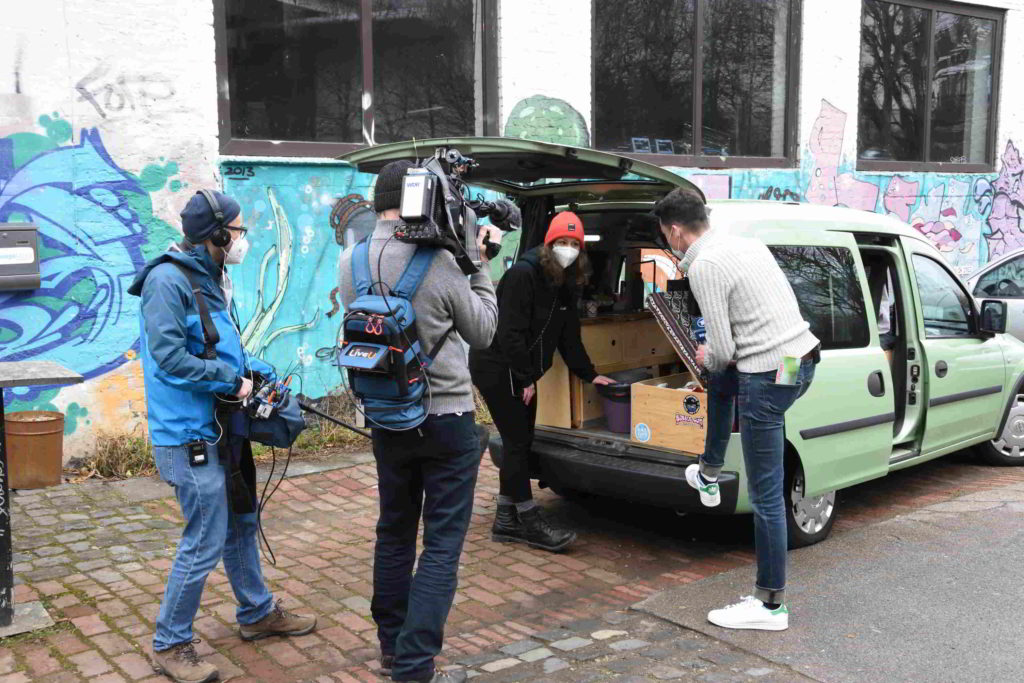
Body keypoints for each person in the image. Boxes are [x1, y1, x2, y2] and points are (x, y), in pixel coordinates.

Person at [128, 190, 316, 683]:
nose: (241, 238)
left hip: (221, 426)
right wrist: (233, 383)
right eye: (237, 230)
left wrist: (260, 372)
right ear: (215, 234)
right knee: (205, 537)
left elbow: (220, 349)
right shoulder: (168, 282)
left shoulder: (209, 277)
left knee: (240, 522)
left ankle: (256, 612)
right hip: (187, 433)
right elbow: (170, 359)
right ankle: (171, 643)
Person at [338, 161, 500, 683]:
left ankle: (391, 646)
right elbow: (483, 331)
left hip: (388, 418)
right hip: (447, 418)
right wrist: (478, 264)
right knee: (443, 543)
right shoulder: (440, 262)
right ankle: (414, 664)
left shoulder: (353, 259)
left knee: (394, 531)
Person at [654, 188, 819, 631]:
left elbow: (724, 349)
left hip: (765, 377)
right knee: (724, 381)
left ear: (674, 231)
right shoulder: (746, 243)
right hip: (797, 364)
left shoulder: (705, 265)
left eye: (665, 236)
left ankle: (770, 606)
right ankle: (708, 472)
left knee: (766, 496)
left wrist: (702, 354)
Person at [469, 211, 614, 552]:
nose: (568, 248)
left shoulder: (562, 281)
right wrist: (524, 378)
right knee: (518, 442)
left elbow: (568, 336)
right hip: (497, 365)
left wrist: (590, 374)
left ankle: (506, 520)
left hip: (520, 370)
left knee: (522, 440)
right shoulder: (524, 274)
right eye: (561, 242)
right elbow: (510, 334)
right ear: (548, 244)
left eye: (574, 243)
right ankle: (528, 519)